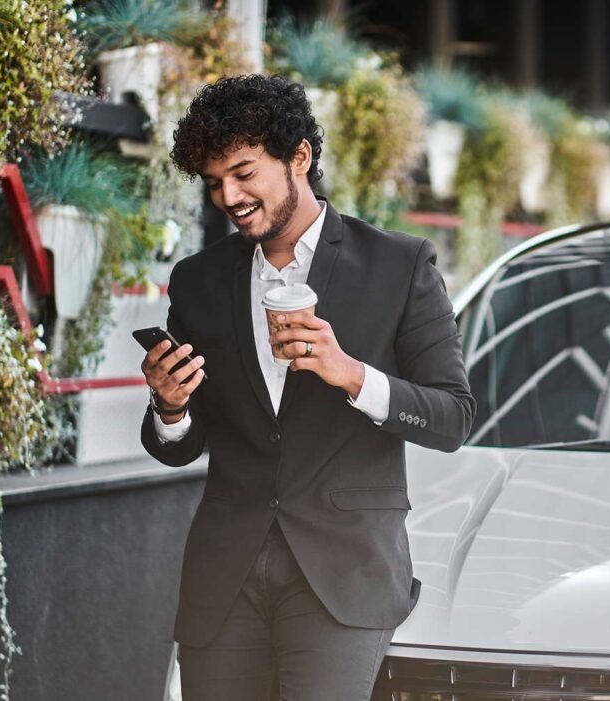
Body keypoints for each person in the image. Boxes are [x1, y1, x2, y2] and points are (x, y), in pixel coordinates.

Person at [138, 74, 475, 700]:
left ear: (300, 157)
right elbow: (180, 445)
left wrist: (350, 374)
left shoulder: (400, 266)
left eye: (244, 173)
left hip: (343, 574)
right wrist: (170, 405)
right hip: (226, 576)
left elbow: (453, 418)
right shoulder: (198, 280)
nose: (228, 197)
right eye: (215, 183)